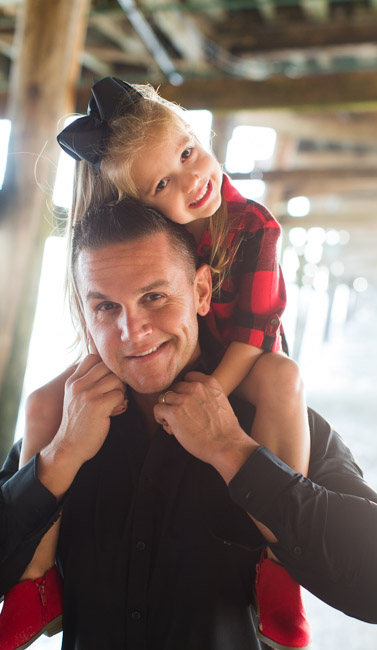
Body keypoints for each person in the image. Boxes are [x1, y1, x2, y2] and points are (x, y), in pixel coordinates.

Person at [0, 201, 377, 650]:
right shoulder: (64, 430)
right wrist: (60, 459)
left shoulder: (272, 417)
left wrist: (233, 451)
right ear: (86, 314)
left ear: (201, 291)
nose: (132, 331)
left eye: (154, 297)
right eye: (106, 307)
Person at [1, 77, 313, 650]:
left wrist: (210, 406)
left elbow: (252, 332)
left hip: (241, 357)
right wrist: (63, 453)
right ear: (144, 205)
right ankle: (35, 583)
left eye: (189, 153)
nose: (192, 180)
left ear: (198, 286)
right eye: (165, 182)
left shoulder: (250, 225)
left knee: (283, 380)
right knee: (42, 400)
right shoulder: (154, 233)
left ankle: (280, 568)